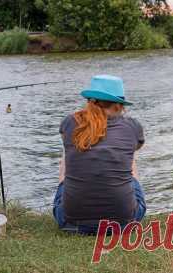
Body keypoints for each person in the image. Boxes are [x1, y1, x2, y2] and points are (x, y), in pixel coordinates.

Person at [53, 75, 146, 235]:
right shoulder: (132, 126)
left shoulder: (69, 122)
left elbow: (66, 141)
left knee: (68, 150)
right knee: (128, 155)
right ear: (118, 106)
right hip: (124, 223)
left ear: (89, 101)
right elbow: (136, 147)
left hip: (71, 222)